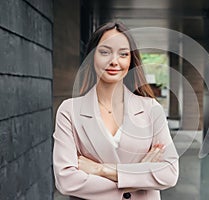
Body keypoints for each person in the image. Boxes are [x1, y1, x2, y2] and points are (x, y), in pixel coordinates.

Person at [52, 21, 179, 200]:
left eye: (123, 54)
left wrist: (101, 169)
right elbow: (66, 180)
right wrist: (140, 174)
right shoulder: (69, 111)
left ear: (130, 60)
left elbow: (169, 172)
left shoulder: (151, 109)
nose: (114, 61)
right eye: (104, 52)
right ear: (91, 57)